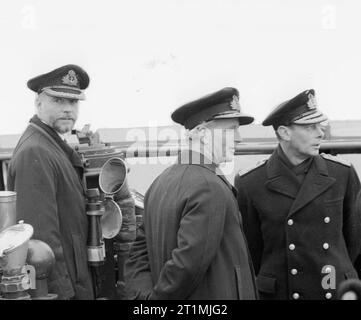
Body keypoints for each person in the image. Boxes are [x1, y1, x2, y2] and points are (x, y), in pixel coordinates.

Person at [124, 87, 258, 300]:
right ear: (203, 134)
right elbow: (188, 265)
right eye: (231, 130)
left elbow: (138, 256)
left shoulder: (159, 183)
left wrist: (146, 299)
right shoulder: (209, 185)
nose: (239, 138)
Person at [234, 89, 361, 300]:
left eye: (319, 126)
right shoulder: (251, 182)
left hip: (331, 288)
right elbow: (252, 252)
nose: (320, 133)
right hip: (282, 293)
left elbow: (355, 242)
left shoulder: (342, 174)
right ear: (284, 132)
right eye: (310, 127)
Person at [7, 64, 94, 299]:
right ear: (38, 103)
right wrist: (61, 294)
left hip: (74, 276)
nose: (68, 109)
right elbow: (39, 244)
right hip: (62, 288)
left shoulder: (50, 145)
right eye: (58, 101)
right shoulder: (35, 151)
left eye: (73, 102)